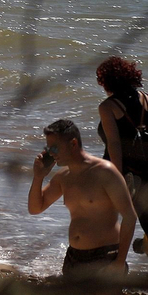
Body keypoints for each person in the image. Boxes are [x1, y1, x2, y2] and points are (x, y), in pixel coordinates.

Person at [29, 118, 136, 276]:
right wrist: (38, 177)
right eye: (48, 148)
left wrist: (120, 262)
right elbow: (35, 208)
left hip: (104, 257)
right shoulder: (63, 177)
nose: (51, 153)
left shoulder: (105, 172)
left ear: (73, 144)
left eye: (55, 148)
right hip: (73, 258)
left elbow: (129, 216)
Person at [96, 57, 148, 250]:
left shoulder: (108, 107)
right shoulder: (146, 97)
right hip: (145, 169)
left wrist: (116, 177)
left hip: (122, 170)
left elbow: (115, 144)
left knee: (105, 216)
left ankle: (105, 258)